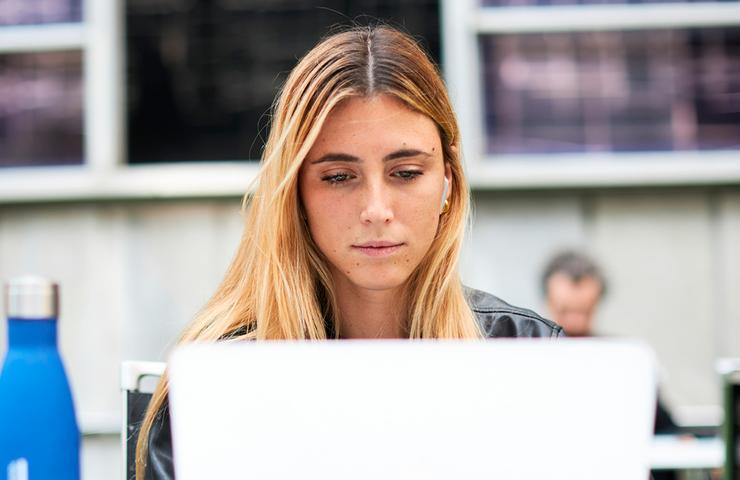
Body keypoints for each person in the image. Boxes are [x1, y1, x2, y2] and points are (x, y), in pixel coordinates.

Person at [135, 25, 564, 480]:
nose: (376, 210)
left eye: (406, 172)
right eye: (339, 176)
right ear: (295, 193)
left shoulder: (527, 357)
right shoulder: (218, 383)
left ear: (447, 181)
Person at [541, 250, 680, 480]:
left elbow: (661, 426)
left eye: (584, 312)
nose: (574, 322)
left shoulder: (622, 363)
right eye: (565, 310)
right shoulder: (528, 362)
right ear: (547, 303)